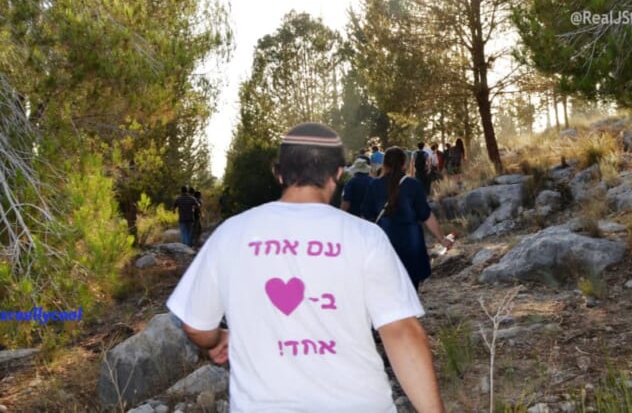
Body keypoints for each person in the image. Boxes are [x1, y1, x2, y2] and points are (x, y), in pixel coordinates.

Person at [167, 123, 444, 412]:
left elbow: (195, 325)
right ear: (337, 173)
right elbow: (402, 333)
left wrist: (218, 338)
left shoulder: (231, 234)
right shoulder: (366, 237)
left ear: (279, 173)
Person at [361, 147, 454, 291]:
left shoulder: (374, 186)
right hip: (412, 244)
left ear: (384, 165)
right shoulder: (413, 185)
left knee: (388, 290)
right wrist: (442, 239)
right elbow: (426, 215)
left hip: (385, 245)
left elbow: (366, 217)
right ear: (404, 164)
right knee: (410, 290)